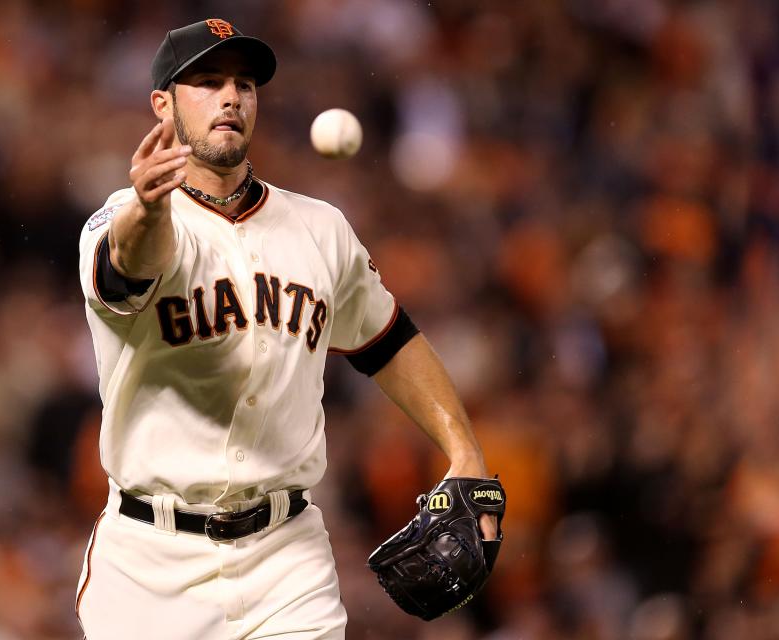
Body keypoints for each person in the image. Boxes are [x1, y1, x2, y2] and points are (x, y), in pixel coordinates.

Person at [76, 18, 497, 639]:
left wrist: (465, 449)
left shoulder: (321, 228)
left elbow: (389, 342)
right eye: (209, 81)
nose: (230, 97)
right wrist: (146, 208)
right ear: (162, 104)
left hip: (285, 558)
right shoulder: (120, 218)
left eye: (244, 84)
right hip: (149, 566)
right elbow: (129, 266)